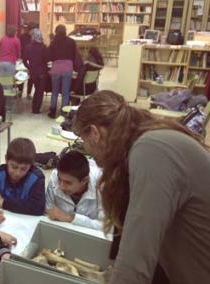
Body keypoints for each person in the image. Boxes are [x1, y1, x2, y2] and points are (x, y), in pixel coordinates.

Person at [72, 90, 210, 284]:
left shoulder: (151, 150)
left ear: (94, 133)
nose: (85, 148)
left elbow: (136, 262)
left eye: (82, 139)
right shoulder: (145, 142)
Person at [0, 138, 45, 216]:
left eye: (23, 169)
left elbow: (38, 208)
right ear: (6, 159)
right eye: (14, 167)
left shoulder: (37, 178)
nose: (17, 173)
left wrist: (2, 202)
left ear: (31, 166)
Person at [46, 150, 103, 230]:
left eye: (68, 183)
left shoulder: (102, 183)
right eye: (59, 179)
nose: (61, 186)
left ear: (84, 180)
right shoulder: (55, 176)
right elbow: (48, 212)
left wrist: (71, 218)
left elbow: (107, 227)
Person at [47, 24, 77, 118]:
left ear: (56, 31)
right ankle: (64, 112)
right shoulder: (71, 41)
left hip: (56, 67)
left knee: (55, 90)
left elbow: (49, 56)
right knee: (65, 91)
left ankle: (52, 111)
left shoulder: (53, 42)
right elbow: (74, 55)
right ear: (65, 31)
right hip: (67, 67)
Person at [23, 28, 48, 114]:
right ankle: (36, 109)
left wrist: (29, 67)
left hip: (33, 72)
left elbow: (24, 60)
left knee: (36, 89)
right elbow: (46, 60)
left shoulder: (28, 47)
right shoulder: (43, 47)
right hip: (42, 72)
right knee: (39, 91)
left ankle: (34, 107)